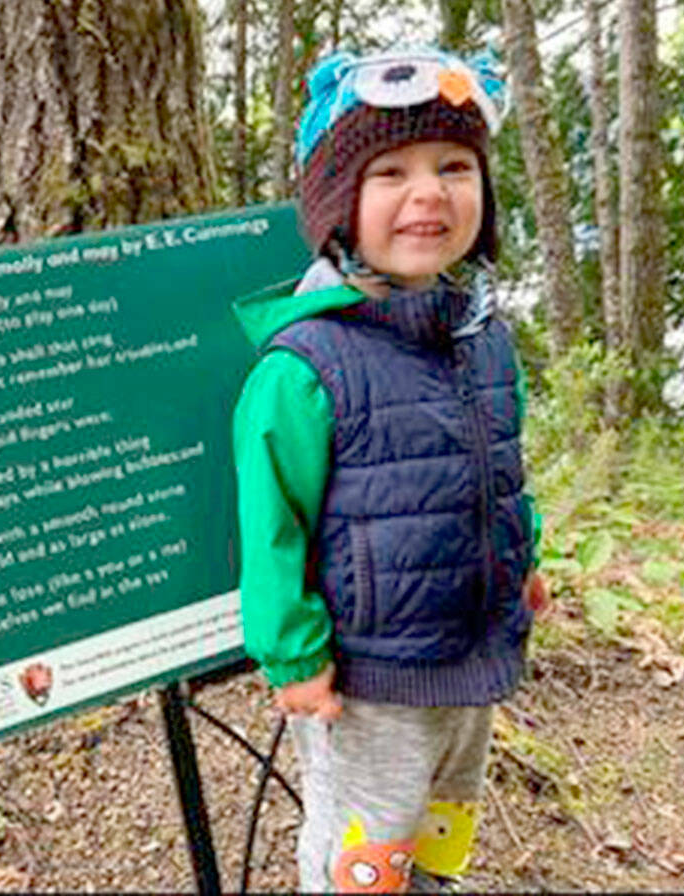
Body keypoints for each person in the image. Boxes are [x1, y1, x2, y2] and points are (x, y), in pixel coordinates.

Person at [232, 44, 547, 894]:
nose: (429, 193)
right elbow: (272, 528)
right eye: (391, 173)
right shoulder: (305, 366)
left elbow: (501, 463)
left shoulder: (482, 334)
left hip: (472, 649)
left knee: (445, 815)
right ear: (340, 204)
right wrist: (293, 657)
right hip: (372, 678)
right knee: (363, 849)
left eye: (454, 166)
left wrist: (527, 560)